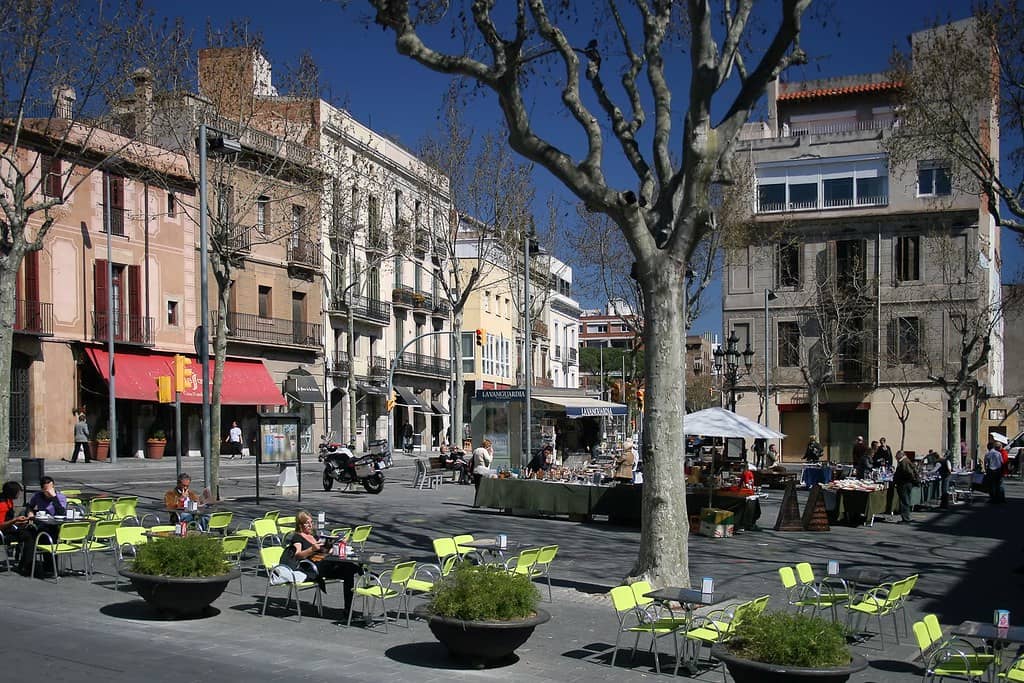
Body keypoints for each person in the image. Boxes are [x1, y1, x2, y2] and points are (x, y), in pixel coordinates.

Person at [278, 511, 363, 614]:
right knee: (349, 569)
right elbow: (298, 555)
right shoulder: (297, 537)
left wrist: (336, 544)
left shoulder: (314, 536)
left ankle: (348, 609)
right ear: (300, 524)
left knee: (348, 570)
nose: (310, 525)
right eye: (306, 523)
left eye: (311, 522)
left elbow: (326, 551)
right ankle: (362, 571)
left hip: (324, 562)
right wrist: (311, 549)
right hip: (313, 566)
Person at [892, 451, 920, 523]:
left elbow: (908, 472)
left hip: (904, 484)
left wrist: (907, 479)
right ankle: (906, 517)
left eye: (896, 455)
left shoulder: (904, 462)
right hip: (906, 483)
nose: (896, 457)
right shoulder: (907, 461)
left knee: (904, 501)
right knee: (906, 500)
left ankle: (905, 518)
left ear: (900, 455)